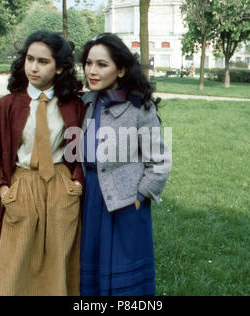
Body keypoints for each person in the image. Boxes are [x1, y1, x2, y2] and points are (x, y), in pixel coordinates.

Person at [0, 30, 85, 296]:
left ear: (60, 67)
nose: (34, 67)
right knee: (15, 266)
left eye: (43, 61)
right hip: (22, 184)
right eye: (30, 59)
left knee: (59, 263)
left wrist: (76, 183)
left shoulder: (73, 106)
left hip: (61, 186)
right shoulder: (5, 106)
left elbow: (81, 151)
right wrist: (5, 193)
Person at [79, 33, 172, 296]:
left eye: (101, 64)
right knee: (91, 266)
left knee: (124, 277)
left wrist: (140, 195)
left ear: (120, 69)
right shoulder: (86, 102)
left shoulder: (139, 110)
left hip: (125, 203)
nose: (92, 71)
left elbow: (160, 162)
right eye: (88, 63)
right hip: (90, 197)